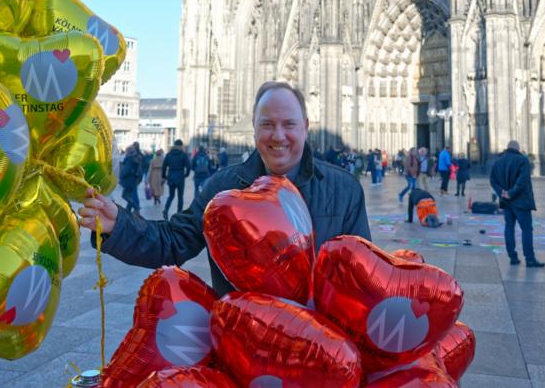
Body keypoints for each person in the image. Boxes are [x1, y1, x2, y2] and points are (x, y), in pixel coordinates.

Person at [79, 81, 371, 296]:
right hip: (243, 346)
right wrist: (117, 225)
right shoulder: (223, 188)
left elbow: (361, 277)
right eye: (267, 124)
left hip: (323, 353)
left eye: (289, 124)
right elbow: (174, 242)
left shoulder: (343, 189)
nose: (278, 135)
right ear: (254, 128)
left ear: (305, 127)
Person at [490, 140, 544, 267]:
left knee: (509, 227)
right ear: (518, 148)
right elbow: (522, 180)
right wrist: (511, 193)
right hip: (521, 202)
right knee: (526, 229)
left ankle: (512, 257)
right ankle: (529, 259)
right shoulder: (523, 160)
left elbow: (492, 180)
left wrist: (502, 192)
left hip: (506, 203)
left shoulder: (498, 162)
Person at [161, 139, 190, 219]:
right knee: (180, 196)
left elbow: (164, 166)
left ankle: (166, 210)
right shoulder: (183, 155)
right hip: (180, 176)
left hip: (171, 176)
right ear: (181, 146)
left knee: (171, 195)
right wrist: (186, 174)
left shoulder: (169, 154)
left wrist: (164, 176)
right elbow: (188, 166)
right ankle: (179, 213)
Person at [118, 143, 143, 215]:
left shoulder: (129, 159)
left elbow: (126, 170)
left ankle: (136, 207)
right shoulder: (136, 158)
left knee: (124, 195)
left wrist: (121, 176)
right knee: (129, 195)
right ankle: (128, 210)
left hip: (129, 180)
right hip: (134, 180)